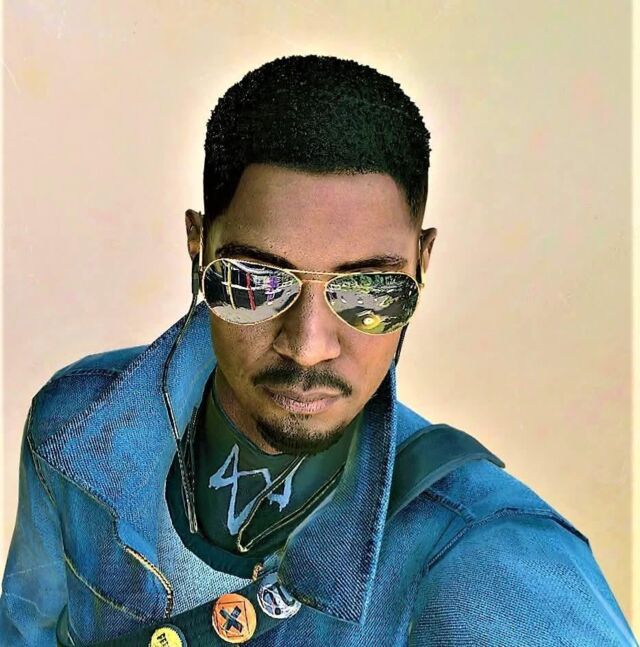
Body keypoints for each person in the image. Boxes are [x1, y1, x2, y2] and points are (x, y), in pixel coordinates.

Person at [0, 54, 636, 647]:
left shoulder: (486, 555)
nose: (307, 347)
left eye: (368, 289)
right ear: (198, 245)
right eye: (256, 281)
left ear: (423, 263)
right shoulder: (75, 426)